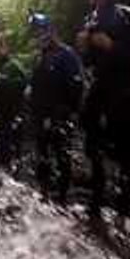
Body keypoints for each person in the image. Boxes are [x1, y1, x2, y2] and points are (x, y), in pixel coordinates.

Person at [76, 0, 130, 217]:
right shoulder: (90, 19)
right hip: (100, 82)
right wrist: (84, 49)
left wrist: (113, 46)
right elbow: (89, 60)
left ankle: (126, 187)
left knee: (122, 134)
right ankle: (98, 181)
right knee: (88, 123)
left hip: (122, 81)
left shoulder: (126, 15)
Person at [27, 11, 85, 205]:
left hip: (60, 115)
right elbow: (34, 85)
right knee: (42, 158)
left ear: (52, 30)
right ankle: (44, 196)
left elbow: (77, 85)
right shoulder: (39, 58)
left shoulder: (66, 55)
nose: (39, 36)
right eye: (36, 32)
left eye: (42, 31)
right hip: (40, 116)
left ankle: (63, 199)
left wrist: (67, 111)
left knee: (62, 157)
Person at [0, 34, 28, 172]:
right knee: (2, 149)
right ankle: (2, 177)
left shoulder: (13, 65)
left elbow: (24, 84)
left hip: (11, 116)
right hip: (1, 117)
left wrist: (1, 81)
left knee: (9, 149)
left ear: (5, 48)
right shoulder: (0, 66)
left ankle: (11, 177)